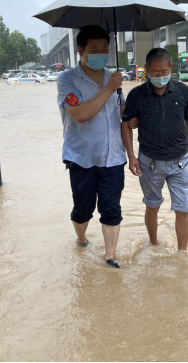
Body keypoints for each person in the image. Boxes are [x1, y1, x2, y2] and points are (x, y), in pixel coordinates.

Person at [57, 25, 130, 269]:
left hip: (113, 157)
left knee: (111, 209)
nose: (102, 54)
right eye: (95, 49)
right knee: (83, 209)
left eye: (105, 49)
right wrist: (109, 88)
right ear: (81, 50)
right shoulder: (66, 79)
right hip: (81, 157)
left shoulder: (115, 77)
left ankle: (110, 256)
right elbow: (80, 114)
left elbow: (124, 115)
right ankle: (81, 238)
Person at [121, 48, 188, 253]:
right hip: (149, 162)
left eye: (164, 72)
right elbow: (125, 124)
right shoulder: (136, 94)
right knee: (152, 205)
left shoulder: (183, 90)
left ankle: (182, 253)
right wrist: (131, 156)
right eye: (156, 73)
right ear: (147, 69)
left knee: (183, 208)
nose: (160, 76)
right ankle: (154, 243)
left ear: (171, 69)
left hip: (180, 161)